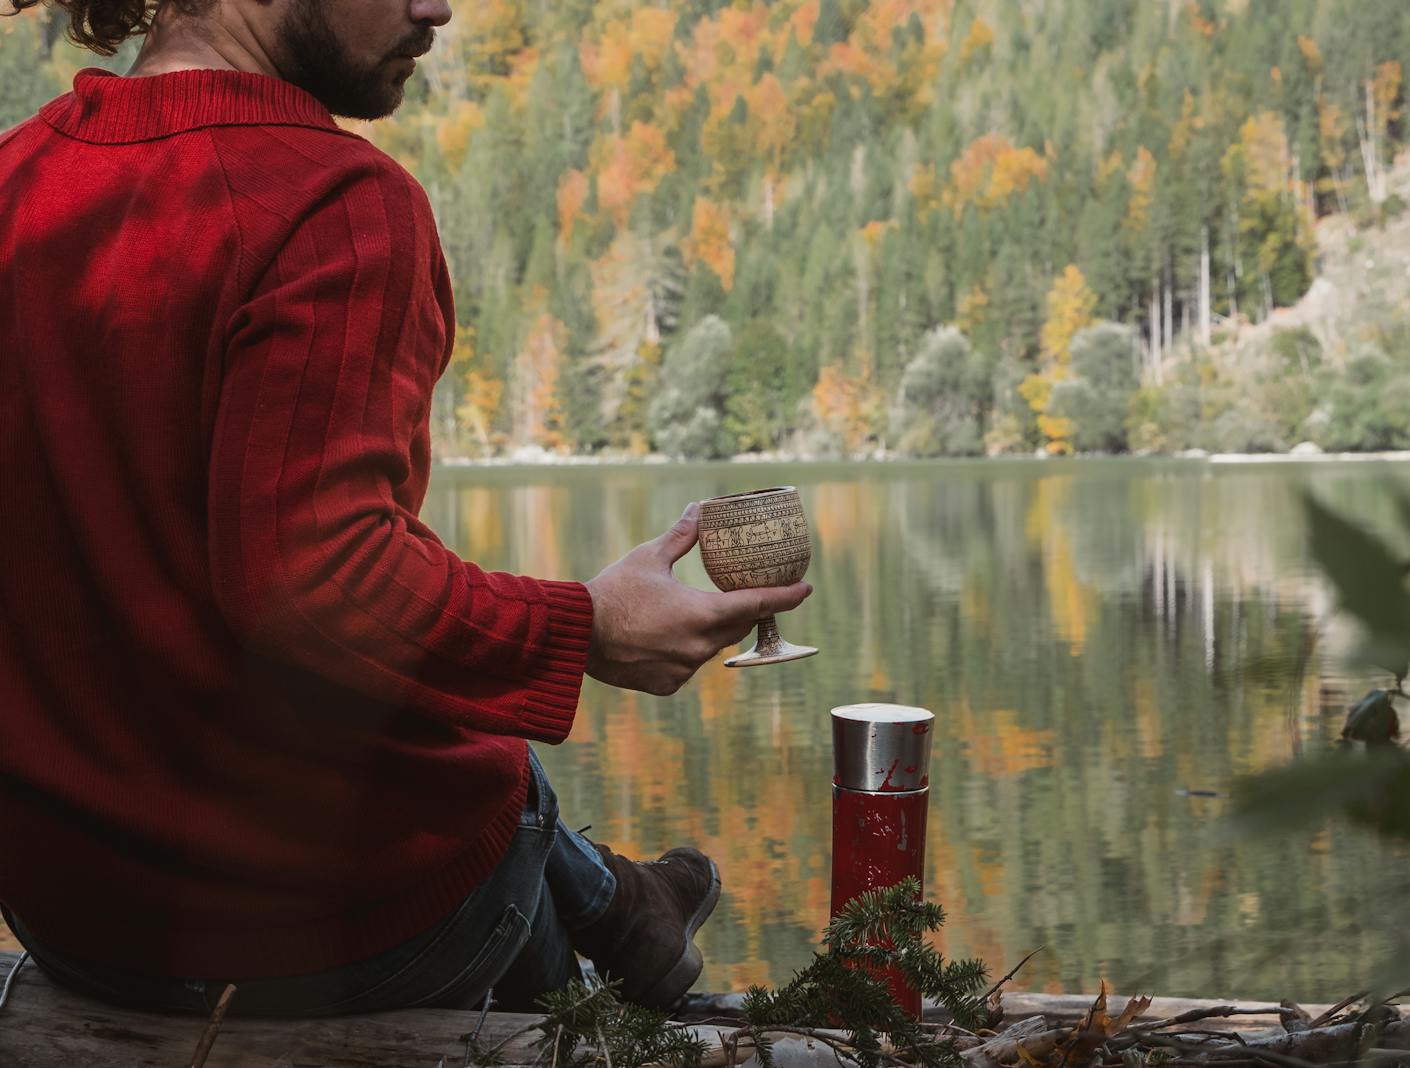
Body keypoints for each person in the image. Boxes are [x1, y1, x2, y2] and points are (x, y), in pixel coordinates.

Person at [0, 0, 812, 1017]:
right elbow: (316, 583)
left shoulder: (15, 178)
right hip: (325, 936)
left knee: (450, 745)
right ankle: (628, 933)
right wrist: (589, 626)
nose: (438, 7)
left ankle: (627, 910)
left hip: (69, 918)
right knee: (486, 776)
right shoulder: (332, 201)